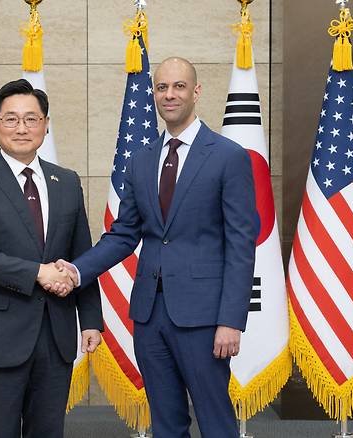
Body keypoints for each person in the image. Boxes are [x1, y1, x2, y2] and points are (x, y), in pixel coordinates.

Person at [54, 57, 259, 437]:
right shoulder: (142, 160)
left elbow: (241, 243)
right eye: (162, 87)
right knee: (165, 423)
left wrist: (231, 319)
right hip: (149, 316)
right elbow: (123, 234)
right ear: (154, 94)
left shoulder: (228, 157)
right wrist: (78, 270)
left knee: (216, 422)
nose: (170, 94)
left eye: (179, 86)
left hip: (204, 318)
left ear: (196, 92)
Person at [0, 79, 103, 438]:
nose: (22, 128)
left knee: (49, 431)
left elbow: (83, 254)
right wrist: (38, 272)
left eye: (31, 119)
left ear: (46, 124)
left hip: (56, 333)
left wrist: (91, 319)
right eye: (11, 119)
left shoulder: (66, 181)